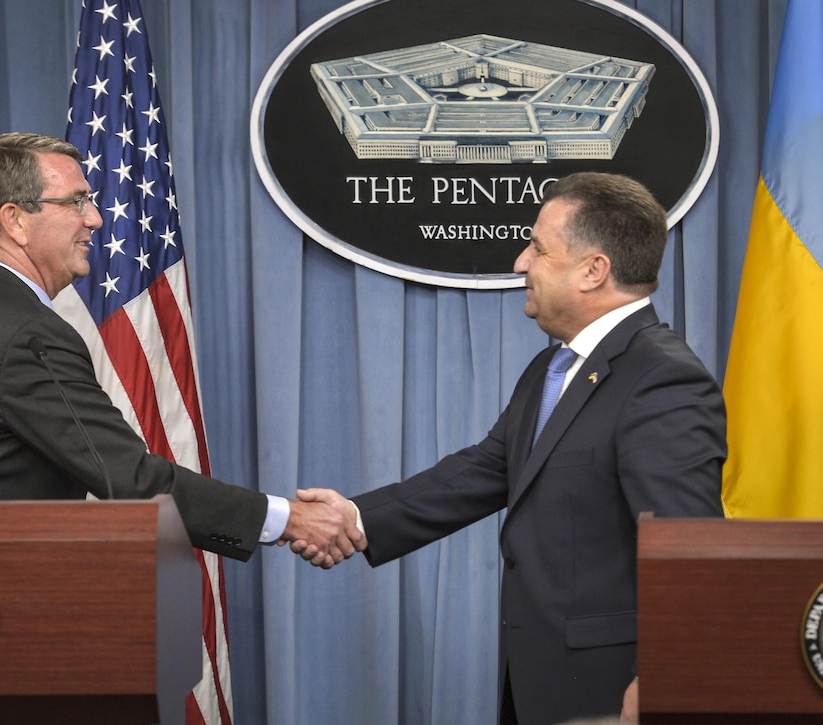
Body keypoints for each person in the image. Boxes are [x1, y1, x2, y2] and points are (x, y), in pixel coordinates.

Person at [297, 172, 726, 722]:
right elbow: (484, 471)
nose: (521, 262)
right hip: (537, 683)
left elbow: (688, 548)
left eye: (538, 249)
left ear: (593, 270)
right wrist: (356, 516)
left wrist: (669, 679)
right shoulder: (554, 366)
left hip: (614, 695)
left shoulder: (661, 381)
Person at [0, 132, 362, 568]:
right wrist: (288, 518)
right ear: (16, 221)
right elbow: (128, 477)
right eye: (77, 201)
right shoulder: (26, 332)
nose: (96, 218)